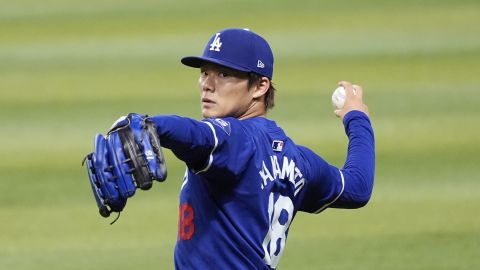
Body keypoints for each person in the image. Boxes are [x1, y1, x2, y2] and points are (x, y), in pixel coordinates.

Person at [147, 28, 375, 269]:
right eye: (205, 73)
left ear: (260, 86)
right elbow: (357, 186)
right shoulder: (299, 160)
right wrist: (357, 117)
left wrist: (147, 125)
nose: (207, 85)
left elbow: (194, 134)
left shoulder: (233, 140)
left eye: (224, 74)